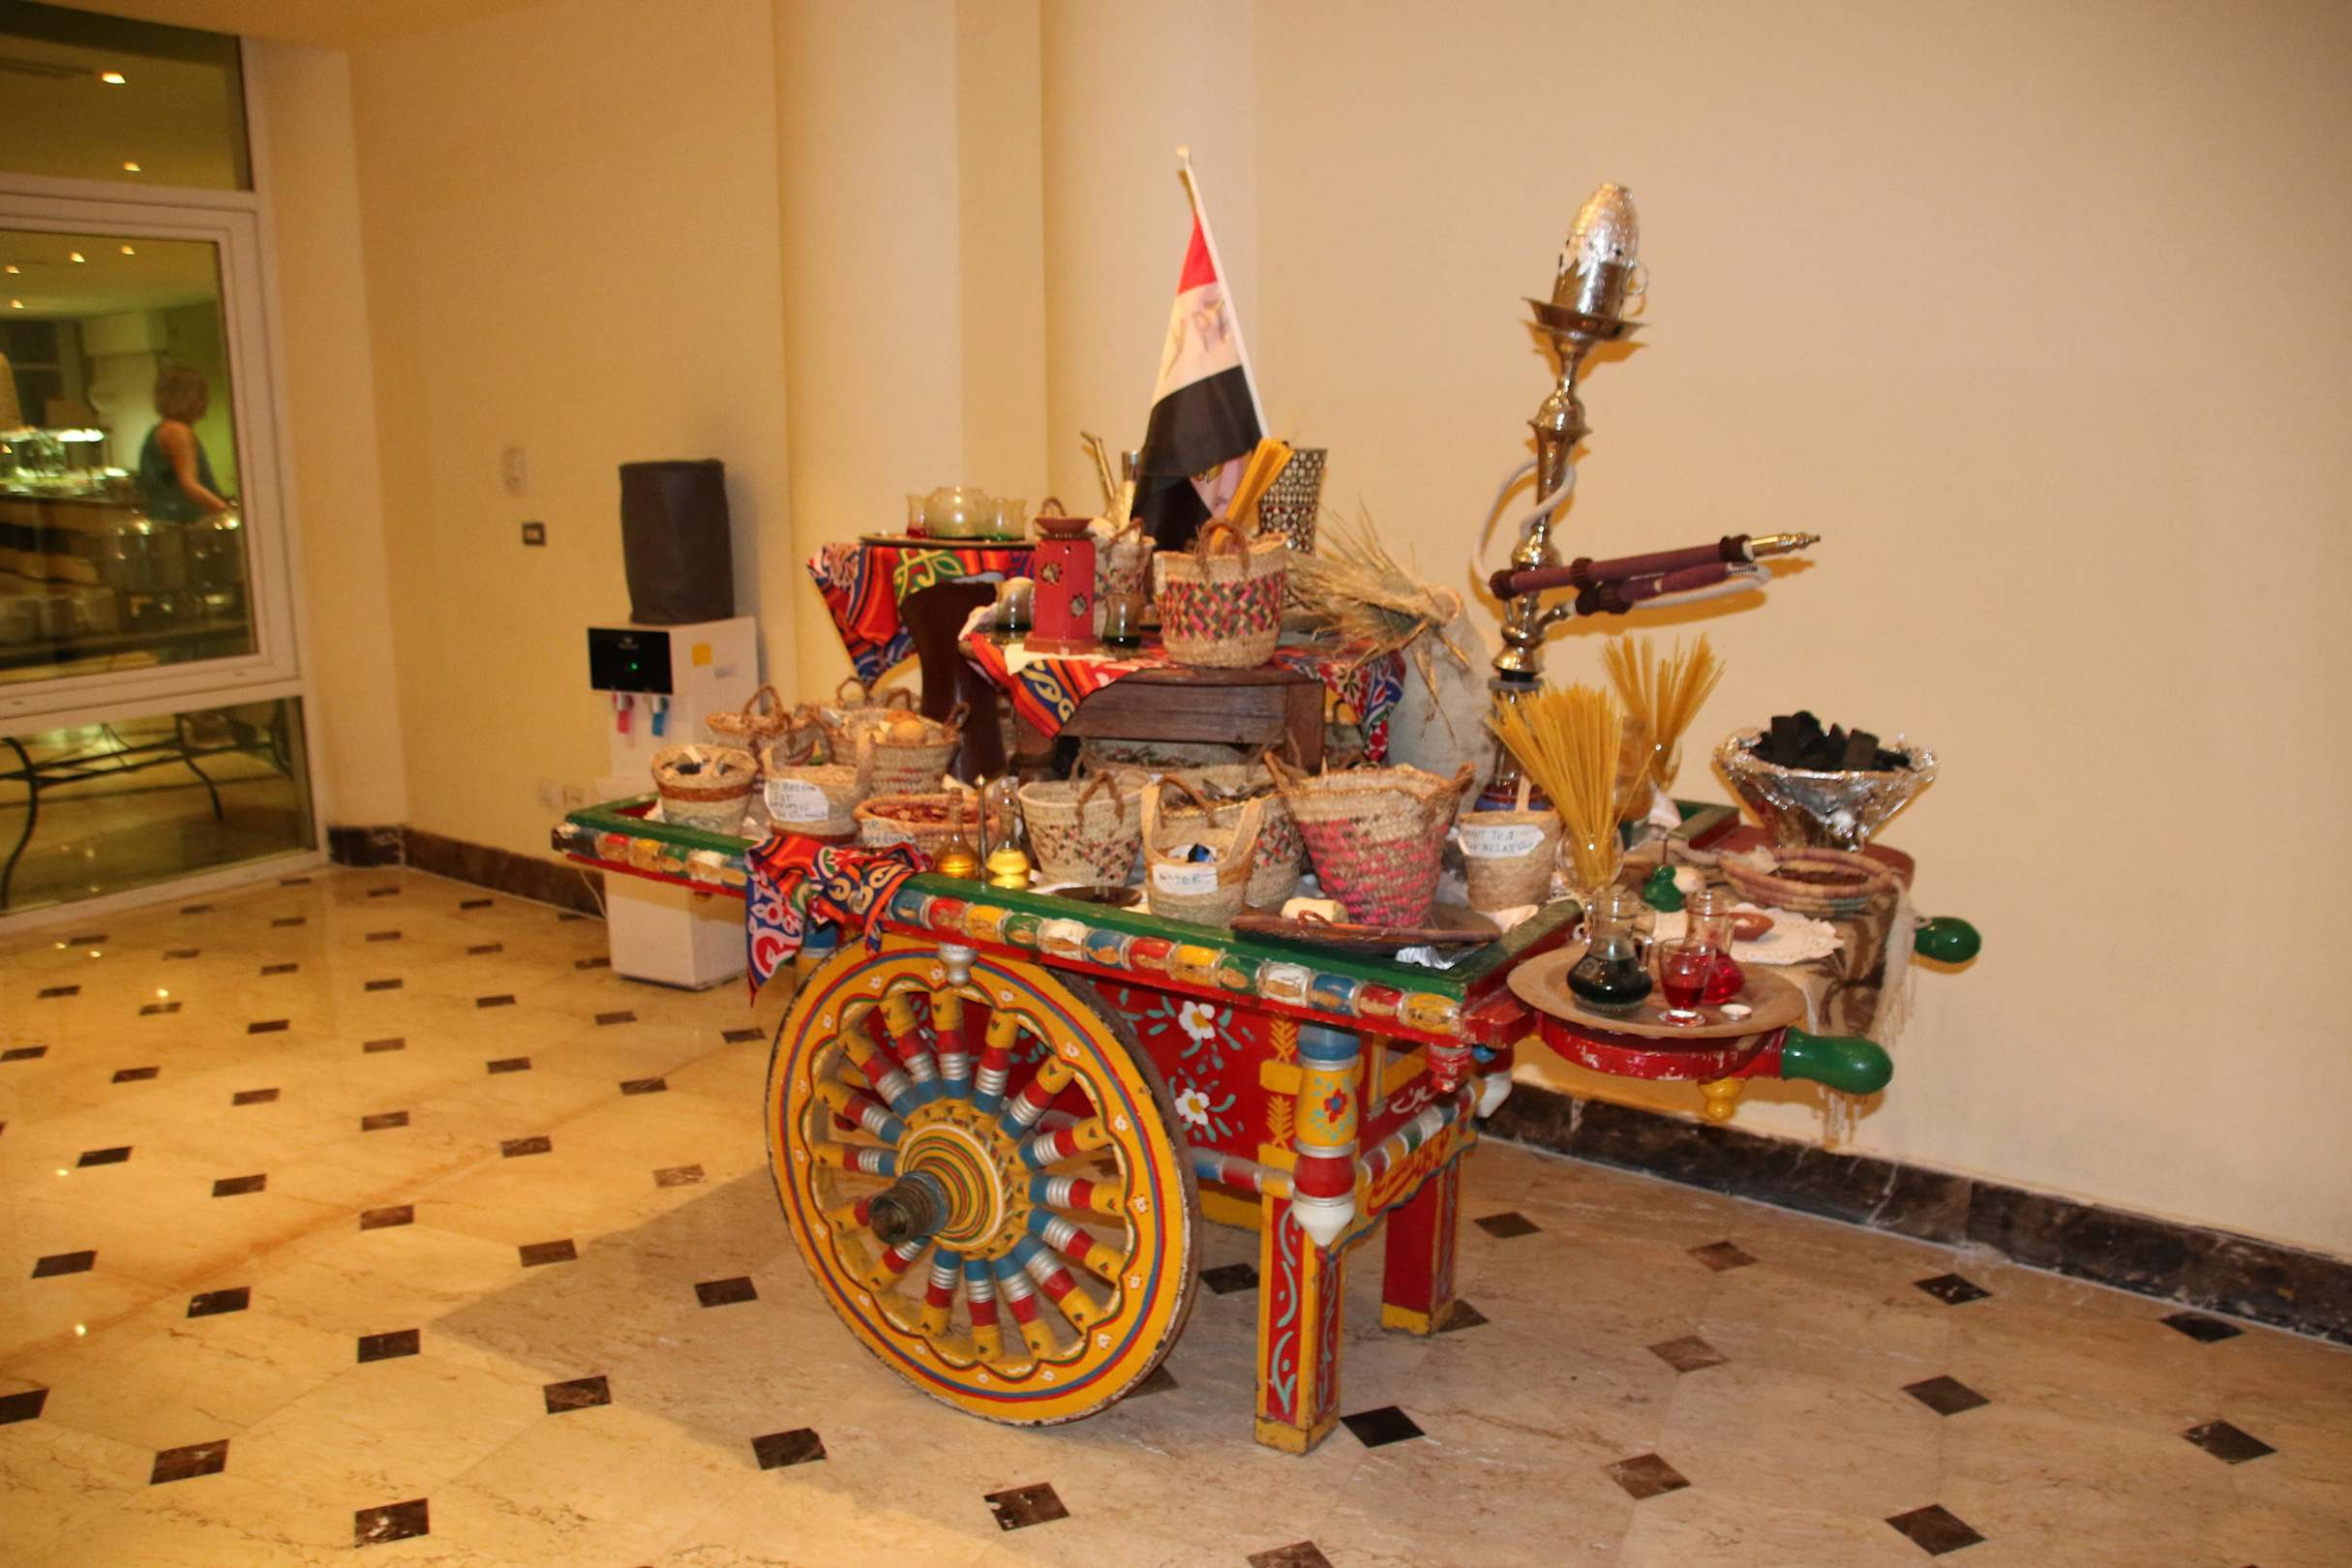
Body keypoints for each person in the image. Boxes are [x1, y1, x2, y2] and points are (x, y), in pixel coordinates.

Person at [136, 365, 230, 522]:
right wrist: (225, 511)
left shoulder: (158, 431)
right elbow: (189, 484)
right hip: (184, 522)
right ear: (189, 397)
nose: (207, 401)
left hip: (163, 520)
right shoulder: (178, 432)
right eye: (202, 394)